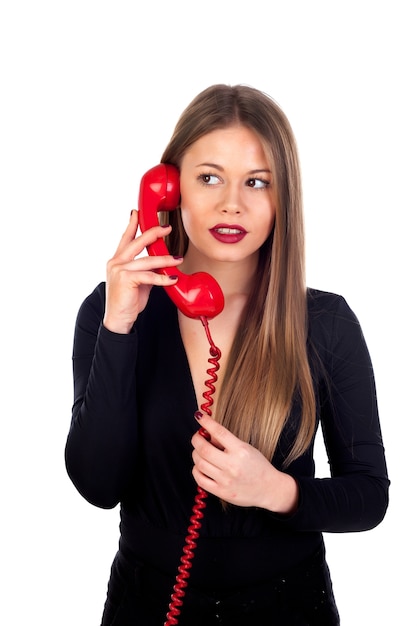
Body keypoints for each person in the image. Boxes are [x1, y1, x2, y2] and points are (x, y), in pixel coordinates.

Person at [65, 84, 389, 625]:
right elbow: (97, 485)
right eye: (209, 177)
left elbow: (369, 496)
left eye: (256, 182)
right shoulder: (112, 311)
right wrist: (119, 327)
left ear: (282, 196)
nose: (230, 203)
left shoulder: (326, 323)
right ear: (169, 190)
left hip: (290, 606)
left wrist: (276, 491)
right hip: (148, 605)